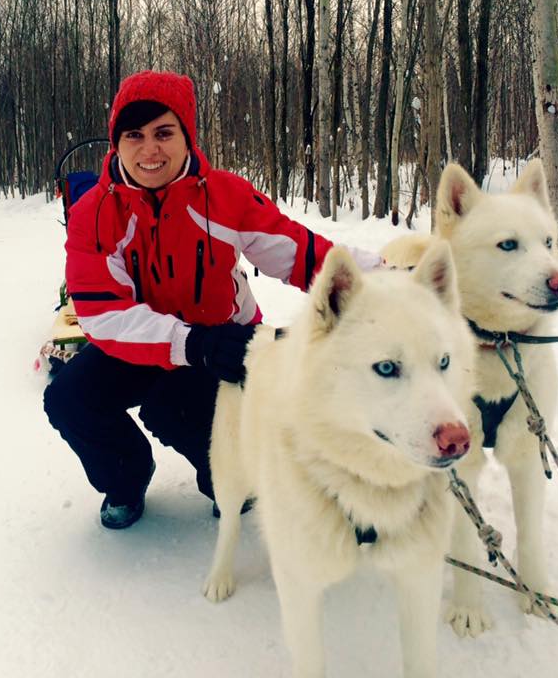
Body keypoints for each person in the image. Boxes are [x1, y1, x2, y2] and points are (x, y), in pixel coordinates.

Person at [44, 70, 382, 529]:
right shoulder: (94, 213)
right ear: (116, 143)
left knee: (173, 409)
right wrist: (189, 342)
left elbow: (296, 251)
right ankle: (125, 478)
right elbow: (102, 313)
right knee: (67, 398)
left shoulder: (224, 196)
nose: (149, 150)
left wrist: (386, 280)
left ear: (187, 135)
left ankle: (227, 477)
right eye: (134, 136)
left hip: (222, 341)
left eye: (164, 133)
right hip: (143, 346)